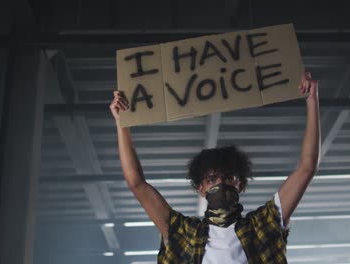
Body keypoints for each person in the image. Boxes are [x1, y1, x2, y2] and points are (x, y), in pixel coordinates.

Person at [109, 70, 320, 264]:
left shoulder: (263, 226)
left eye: (229, 178)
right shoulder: (182, 233)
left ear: (241, 185)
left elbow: (307, 168)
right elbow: (137, 183)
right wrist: (122, 124)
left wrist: (312, 100)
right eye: (212, 179)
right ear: (201, 188)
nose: (220, 183)